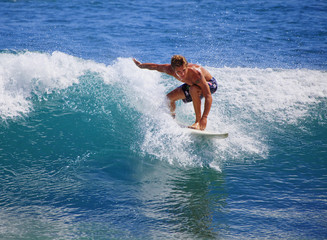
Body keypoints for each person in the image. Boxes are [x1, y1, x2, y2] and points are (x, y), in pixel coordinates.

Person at [133, 55, 217, 130]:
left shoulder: (196, 74)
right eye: (179, 72)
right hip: (192, 85)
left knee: (193, 89)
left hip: (210, 84)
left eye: (184, 70)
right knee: (169, 99)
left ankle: (197, 122)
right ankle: (172, 119)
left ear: (187, 66)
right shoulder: (169, 70)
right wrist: (140, 65)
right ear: (173, 69)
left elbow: (208, 96)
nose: (182, 74)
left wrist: (204, 117)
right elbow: (155, 66)